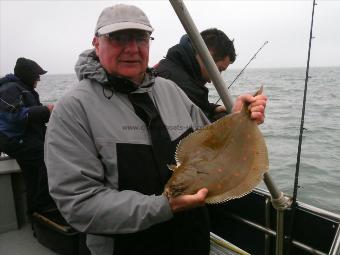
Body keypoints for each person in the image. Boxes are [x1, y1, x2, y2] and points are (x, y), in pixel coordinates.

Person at [44, 4, 266, 255]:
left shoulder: (170, 90)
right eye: (118, 38)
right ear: (96, 43)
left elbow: (211, 148)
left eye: (140, 38)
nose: (132, 49)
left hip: (192, 240)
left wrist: (237, 120)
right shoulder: (73, 109)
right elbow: (79, 203)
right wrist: (164, 206)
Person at [0, 57, 55, 215]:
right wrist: (47, 110)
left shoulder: (25, 89)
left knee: (33, 176)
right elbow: (15, 115)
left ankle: (36, 212)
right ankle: (42, 207)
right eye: (36, 75)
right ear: (28, 75)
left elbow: (33, 118)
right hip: (14, 139)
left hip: (26, 137)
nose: (38, 78)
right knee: (47, 161)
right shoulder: (9, 89)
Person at [155, 28, 241, 122]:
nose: (211, 80)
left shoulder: (168, 66)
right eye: (218, 70)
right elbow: (199, 131)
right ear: (208, 55)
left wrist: (212, 109)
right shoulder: (184, 87)